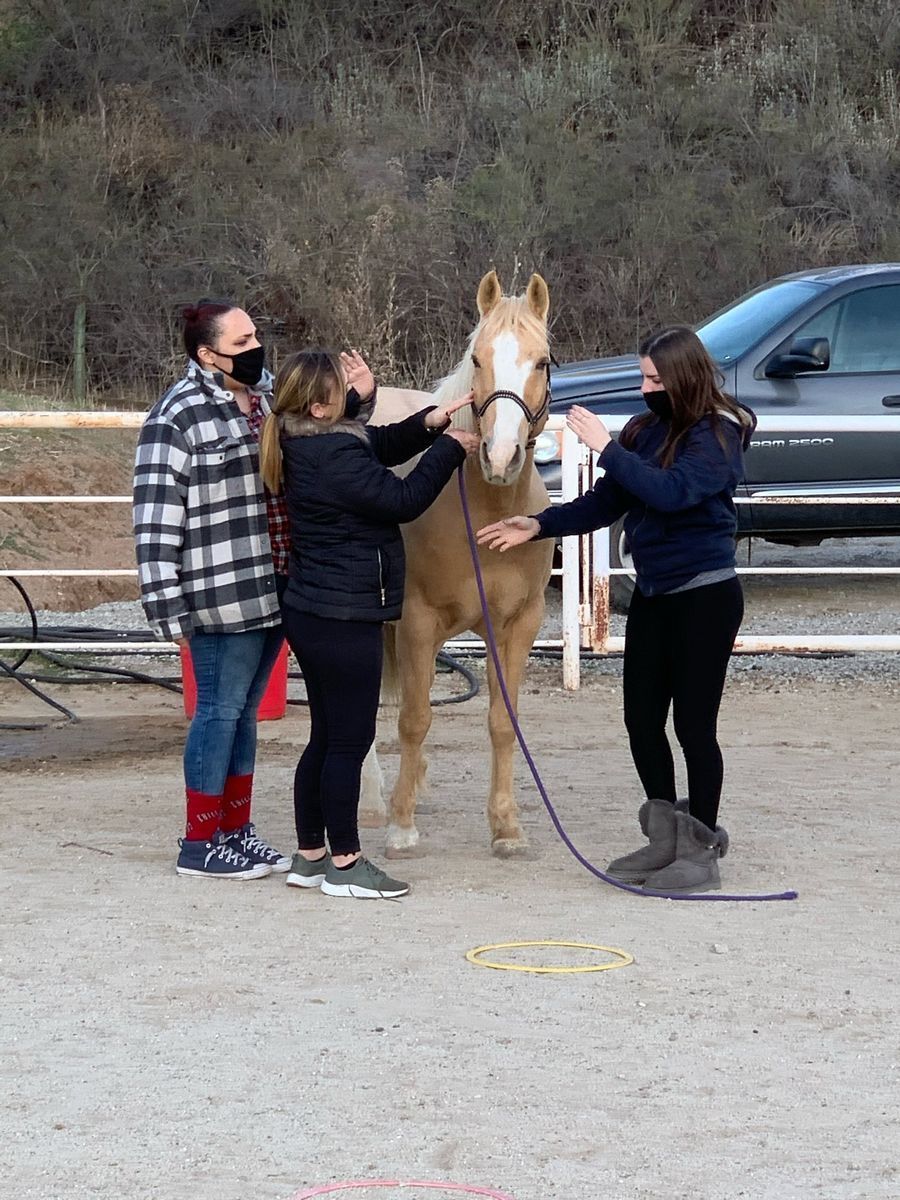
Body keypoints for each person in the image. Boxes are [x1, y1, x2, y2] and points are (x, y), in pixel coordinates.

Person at [476, 326, 756, 893]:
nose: (645, 386)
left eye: (654, 378)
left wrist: (607, 448)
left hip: (705, 597)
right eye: (643, 376)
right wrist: (539, 523)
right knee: (641, 721)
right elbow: (612, 499)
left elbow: (672, 491)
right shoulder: (645, 430)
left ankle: (699, 849)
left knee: (694, 726)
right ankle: (663, 839)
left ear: (683, 376)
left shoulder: (718, 436)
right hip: (655, 595)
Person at [260, 349, 479, 899]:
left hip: (315, 611)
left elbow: (375, 443)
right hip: (345, 615)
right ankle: (347, 862)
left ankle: (310, 855)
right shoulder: (333, 454)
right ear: (318, 406)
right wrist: (450, 450)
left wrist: (428, 423)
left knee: (325, 737)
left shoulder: (306, 440)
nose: (351, 397)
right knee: (349, 742)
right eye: (341, 391)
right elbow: (401, 499)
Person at [133, 299, 293, 880]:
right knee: (217, 713)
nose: (255, 349)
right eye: (241, 341)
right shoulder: (176, 416)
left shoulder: (272, 397)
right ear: (207, 354)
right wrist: (165, 604)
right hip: (220, 592)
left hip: (274, 585)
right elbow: (155, 518)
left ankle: (236, 830)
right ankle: (199, 842)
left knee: (245, 715)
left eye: (255, 337)